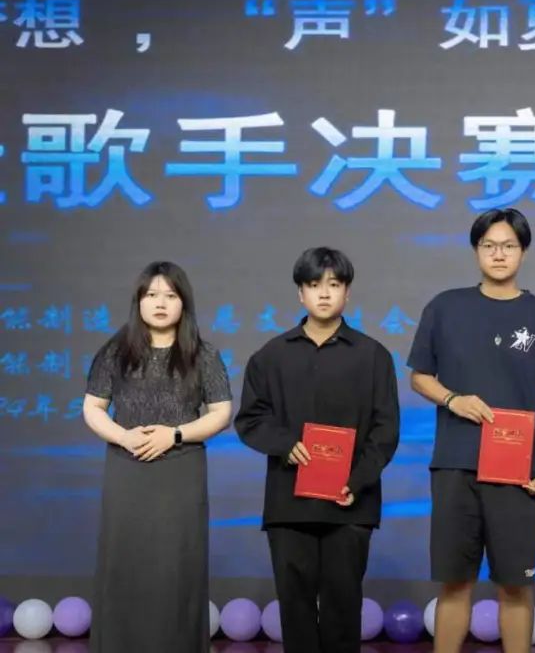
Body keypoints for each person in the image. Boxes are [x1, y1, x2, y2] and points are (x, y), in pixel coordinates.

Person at [407, 209, 535, 653]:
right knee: (454, 583)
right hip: (456, 464)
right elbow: (419, 376)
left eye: (508, 246)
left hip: (518, 471)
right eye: (489, 246)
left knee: (516, 586)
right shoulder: (445, 307)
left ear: (523, 252)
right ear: (476, 251)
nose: (498, 254)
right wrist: (453, 400)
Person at [235, 247, 400, 653]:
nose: (324, 294)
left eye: (334, 284)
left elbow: (386, 430)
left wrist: (356, 481)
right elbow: (250, 420)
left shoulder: (373, 356)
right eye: (313, 285)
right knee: (295, 610)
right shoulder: (270, 356)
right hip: (289, 505)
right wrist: (285, 445)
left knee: (344, 609)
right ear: (300, 293)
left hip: (351, 503)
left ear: (347, 292)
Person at [83, 261, 232, 652]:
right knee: (124, 561)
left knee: (177, 566)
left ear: (184, 303)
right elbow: (92, 407)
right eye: (151, 295)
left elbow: (221, 412)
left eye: (170, 295)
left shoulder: (203, 354)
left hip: (181, 470)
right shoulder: (115, 352)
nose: (160, 303)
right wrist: (123, 436)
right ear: (139, 301)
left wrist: (175, 434)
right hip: (127, 467)